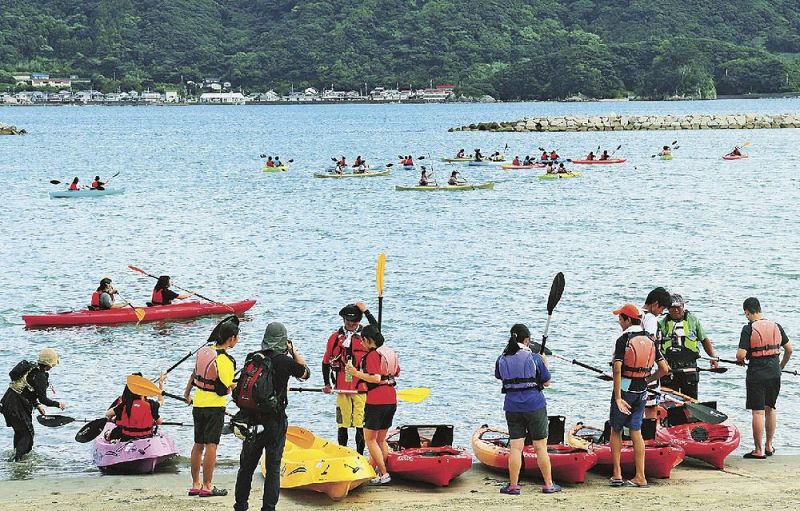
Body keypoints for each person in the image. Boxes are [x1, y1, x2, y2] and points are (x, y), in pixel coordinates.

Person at [233, 322, 310, 511]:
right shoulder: (284, 361)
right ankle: (268, 508)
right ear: (283, 340)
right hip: (274, 420)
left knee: (246, 467)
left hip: (251, 420)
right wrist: (292, 351)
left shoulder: (253, 357)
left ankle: (241, 506)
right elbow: (305, 373)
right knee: (273, 467)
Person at [610, 304, 670, 488]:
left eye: (621, 318)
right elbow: (664, 369)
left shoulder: (624, 339)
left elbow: (617, 368)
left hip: (625, 390)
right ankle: (640, 476)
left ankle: (617, 473)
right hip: (642, 391)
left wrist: (618, 397)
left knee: (616, 429)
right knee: (636, 432)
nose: (619, 322)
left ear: (628, 320)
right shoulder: (650, 339)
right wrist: (648, 379)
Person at [495, 324, 560, 495]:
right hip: (535, 405)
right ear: (527, 340)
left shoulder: (501, 358)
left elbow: (499, 376)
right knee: (540, 447)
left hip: (512, 406)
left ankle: (514, 485)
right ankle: (548, 484)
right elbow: (546, 382)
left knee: (516, 447)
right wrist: (545, 362)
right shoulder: (535, 358)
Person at [183, 316, 240, 497]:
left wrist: (186, 393)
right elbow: (225, 388)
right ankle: (208, 486)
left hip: (198, 404)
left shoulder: (204, 351)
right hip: (214, 407)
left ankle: (195, 484)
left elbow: (195, 374)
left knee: (198, 444)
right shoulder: (227, 360)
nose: (237, 340)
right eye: (237, 337)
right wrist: (238, 385)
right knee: (211, 445)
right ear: (231, 338)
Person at [736, 297, 792, 459]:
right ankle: (769, 445)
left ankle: (758, 450)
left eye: (745, 313)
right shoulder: (776, 326)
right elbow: (789, 350)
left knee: (758, 412)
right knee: (771, 408)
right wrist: (780, 367)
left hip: (757, 373)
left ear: (747, 312)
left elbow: (741, 355)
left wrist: (740, 361)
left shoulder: (748, 328)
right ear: (760, 309)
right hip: (775, 371)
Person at [345, 324, 399, 485]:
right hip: (391, 398)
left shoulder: (372, 356)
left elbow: (375, 378)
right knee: (381, 440)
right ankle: (376, 470)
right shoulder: (389, 353)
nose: (361, 342)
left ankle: (383, 473)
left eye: (362, 340)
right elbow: (396, 372)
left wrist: (355, 373)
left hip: (377, 400)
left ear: (368, 340)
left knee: (370, 439)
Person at [322, 302, 378, 454]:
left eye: (354, 322)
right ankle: (343, 453)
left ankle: (359, 455)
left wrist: (366, 311)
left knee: (360, 424)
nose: (351, 325)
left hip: (361, 389)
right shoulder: (334, 338)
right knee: (342, 424)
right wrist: (327, 383)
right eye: (348, 322)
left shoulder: (366, 338)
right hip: (341, 387)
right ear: (343, 321)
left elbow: (377, 329)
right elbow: (325, 362)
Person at [1, 348, 65, 461]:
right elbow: (43, 399)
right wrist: (58, 404)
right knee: (27, 434)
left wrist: (37, 405)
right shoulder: (40, 376)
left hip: (7, 401)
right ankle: (18, 462)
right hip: (17, 405)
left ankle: (16, 456)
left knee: (20, 431)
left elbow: (28, 390)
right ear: (50, 363)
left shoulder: (31, 367)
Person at [658, 294, 718, 399]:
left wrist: (712, 357)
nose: (676, 310)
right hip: (670, 368)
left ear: (683, 306)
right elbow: (655, 347)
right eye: (672, 307)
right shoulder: (661, 323)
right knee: (670, 400)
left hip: (690, 367)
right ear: (667, 308)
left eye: (678, 307)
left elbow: (704, 339)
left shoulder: (693, 320)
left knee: (691, 398)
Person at [105, 373, 164, 441]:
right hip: (146, 436)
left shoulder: (125, 405)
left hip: (126, 437)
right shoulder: (152, 404)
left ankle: (108, 437)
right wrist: (161, 384)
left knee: (112, 433)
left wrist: (113, 419)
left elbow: (107, 414)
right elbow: (161, 402)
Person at [641, 287, 671, 418]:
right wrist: (662, 363)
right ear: (655, 304)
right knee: (651, 408)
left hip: (635, 369)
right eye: (662, 309)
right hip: (649, 369)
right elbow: (650, 343)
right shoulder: (651, 319)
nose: (661, 313)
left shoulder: (636, 315)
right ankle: (649, 436)